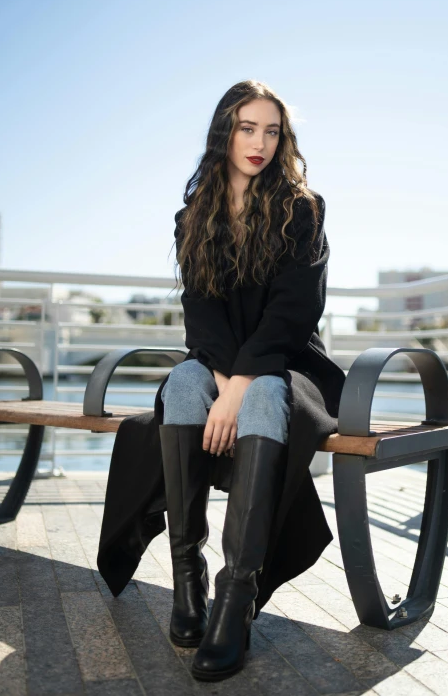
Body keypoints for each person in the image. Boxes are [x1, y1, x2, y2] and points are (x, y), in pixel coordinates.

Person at [96, 79, 346, 683]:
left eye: (271, 131)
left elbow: (292, 314)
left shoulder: (302, 209)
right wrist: (216, 375)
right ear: (224, 132)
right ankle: (188, 583)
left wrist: (235, 386)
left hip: (289, 367)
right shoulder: (195, 215)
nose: (259, 142)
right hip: (216, 360)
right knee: (182, 386)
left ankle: (237, 600)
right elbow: (201, 311)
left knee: (259, 391)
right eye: (246, 127)